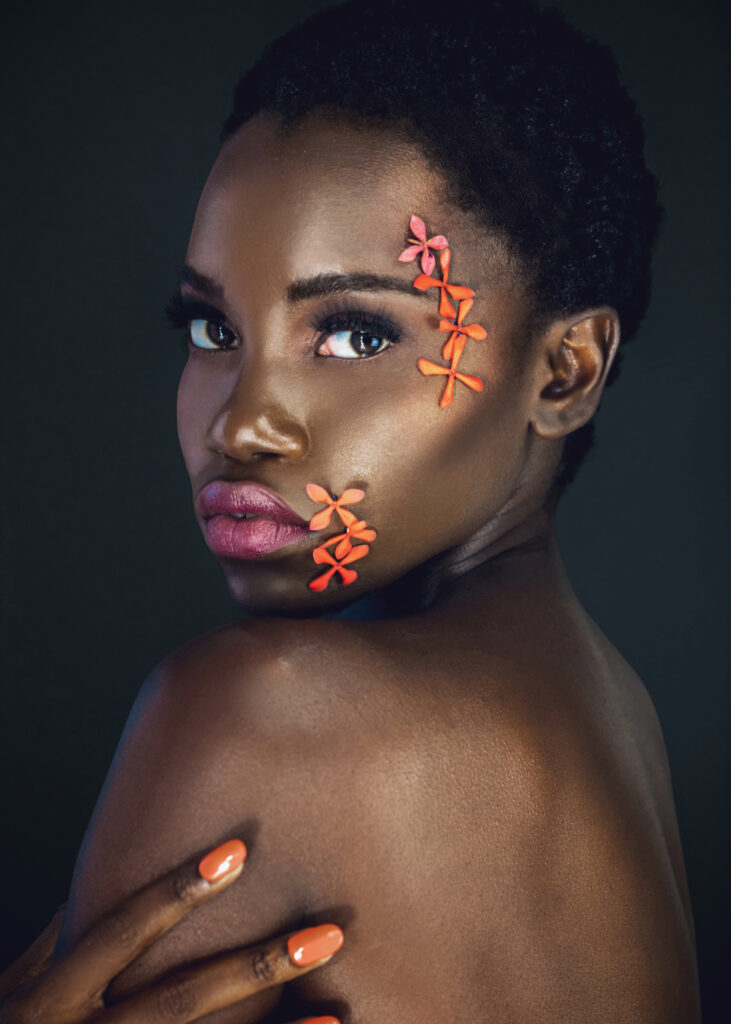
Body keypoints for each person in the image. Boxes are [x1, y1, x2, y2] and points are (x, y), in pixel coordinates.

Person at [1, 0, 702, 1020]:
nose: (241, 425)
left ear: (563, 370)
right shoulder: (610, 714)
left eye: (352, 335)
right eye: (210, 325)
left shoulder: (263, 708)